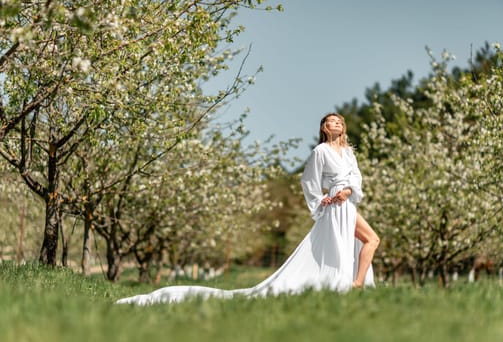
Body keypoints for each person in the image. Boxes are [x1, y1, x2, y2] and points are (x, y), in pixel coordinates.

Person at [116, 113, 379, 305]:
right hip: (335, 205)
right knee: (351, 243)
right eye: (333, 121)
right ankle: (352, 285)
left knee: (371, 240)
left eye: (341, 122)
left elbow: (356, 176)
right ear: (324, 126)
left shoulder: (349, 152)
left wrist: (350, 190)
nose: (338, 124)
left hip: (349, 201)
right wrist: (320, 199)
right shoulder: (320, 151)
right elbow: (308, 179)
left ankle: (356, 283)